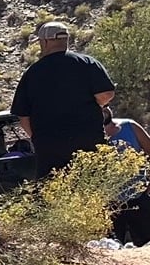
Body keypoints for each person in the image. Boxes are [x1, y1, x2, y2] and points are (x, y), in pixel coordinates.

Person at [10, 21, 115, 177]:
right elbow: (106, 94)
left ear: (45, 42)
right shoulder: (87, 63)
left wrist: (37, 137)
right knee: (92, 187)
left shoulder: (33, 73)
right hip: (88, 139)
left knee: (53, 190)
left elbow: (23, 115)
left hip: (50, 146)